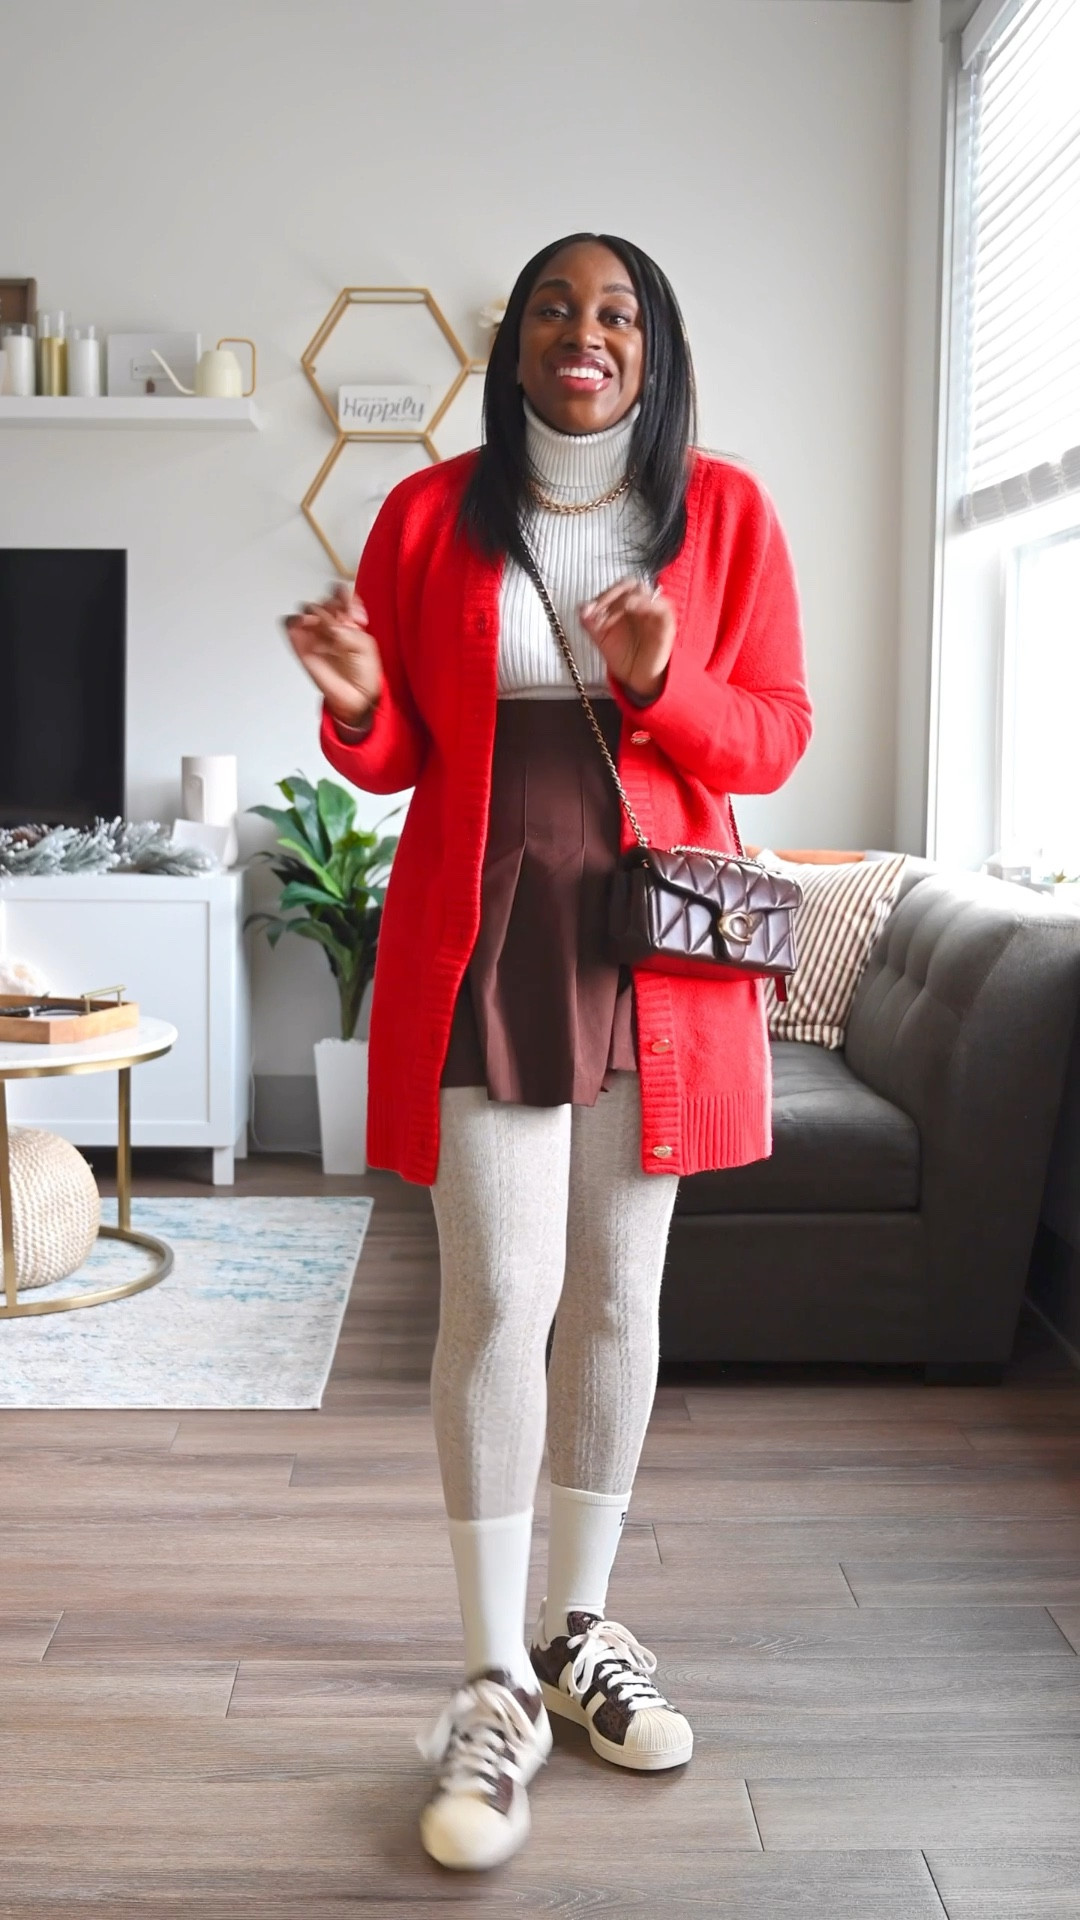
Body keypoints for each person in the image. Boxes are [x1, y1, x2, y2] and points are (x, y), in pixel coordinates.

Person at [284, 231, 812, 1873]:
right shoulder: (428, 512)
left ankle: (581, 1633)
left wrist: (666, 683)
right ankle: (491, 1671)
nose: (585, 334)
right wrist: (361, 698)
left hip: (651, 932)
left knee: (621, 1295)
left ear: (651, 353)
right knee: (499, 1298)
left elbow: (775, 730)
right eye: (554, 310)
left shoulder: (723, 509)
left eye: (618, 314)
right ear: (509, 343)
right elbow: (389, 759)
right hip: (482, 918)